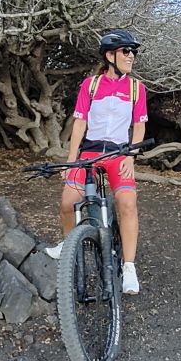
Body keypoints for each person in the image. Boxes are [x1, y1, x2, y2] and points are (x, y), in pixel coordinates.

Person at [45, 29, 148, 295]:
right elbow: (80, 121)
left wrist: (131, 156)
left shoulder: (136, 88)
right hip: (89, 154)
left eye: (133, 51)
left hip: (118, 154)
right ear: (110, 55)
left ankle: (128, 266)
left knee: (127, 202)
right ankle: (69, 247)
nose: (131, 56)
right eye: (126, 51)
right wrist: (71, 160)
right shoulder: (90, 85)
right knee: (68, 203)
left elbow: (139, 126)